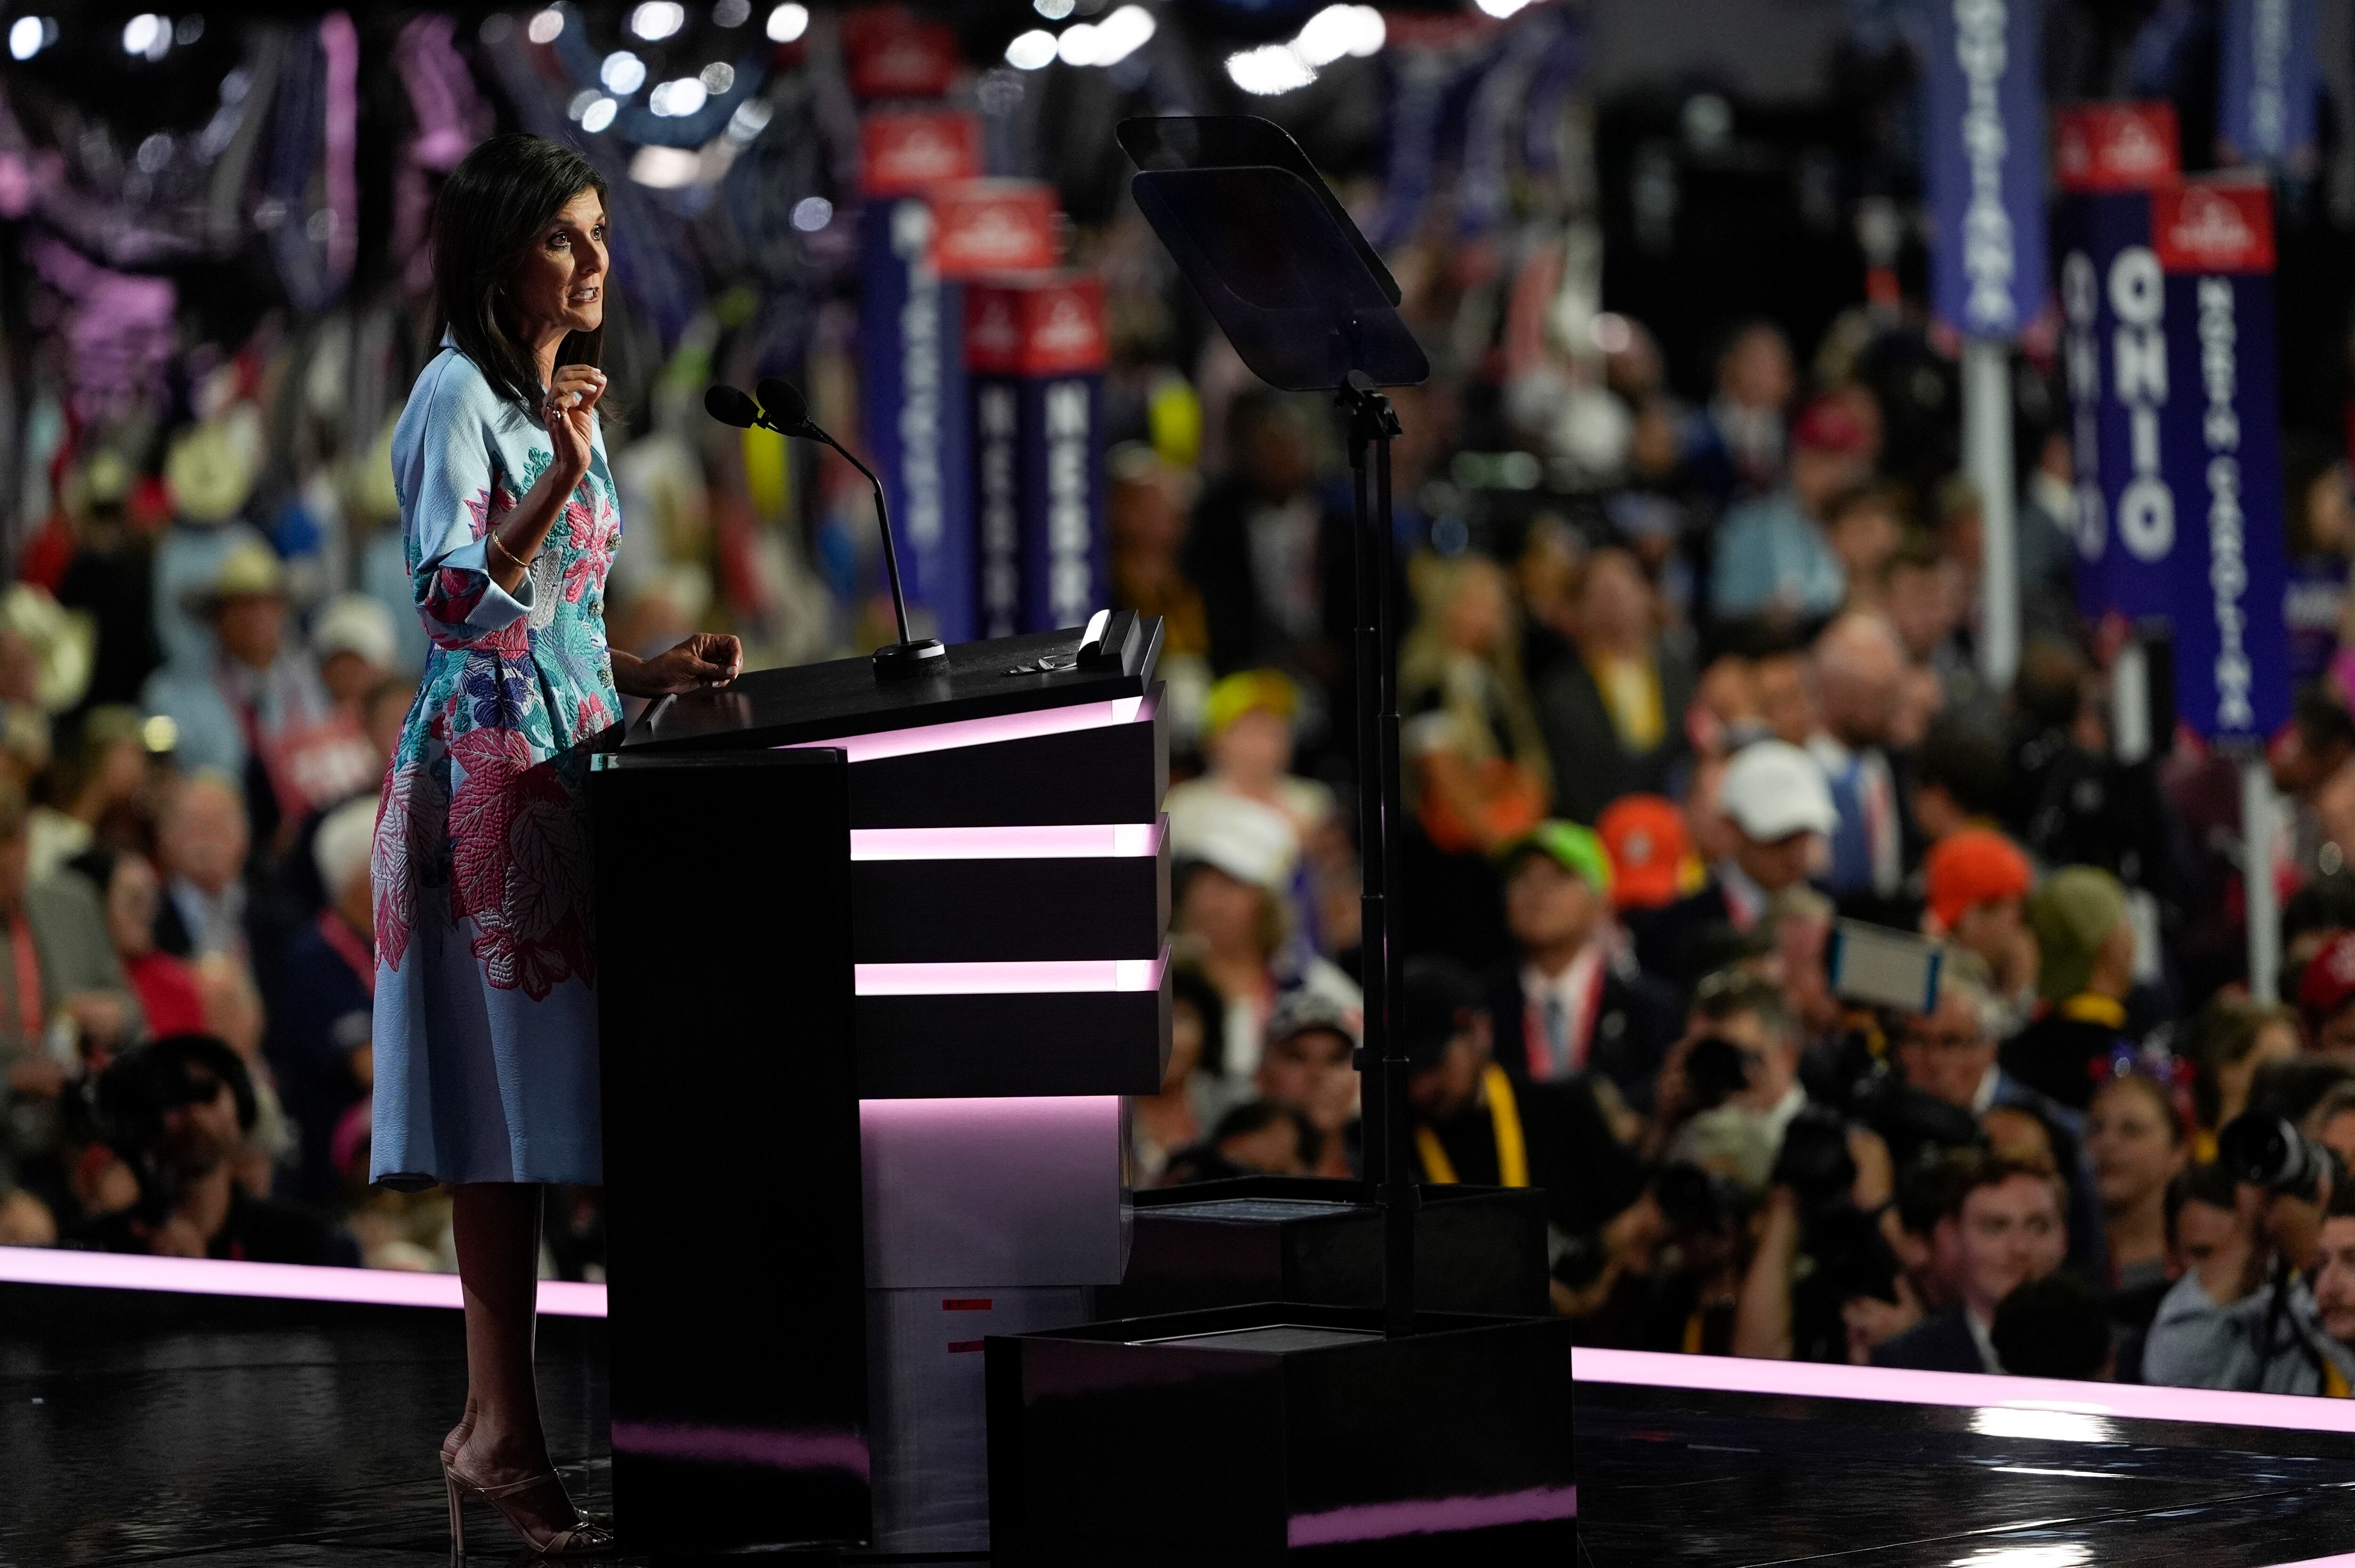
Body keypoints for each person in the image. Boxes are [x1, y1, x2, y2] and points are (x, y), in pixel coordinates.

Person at [372, 132, 744, 1557]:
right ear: (497, 257)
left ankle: (505, 1431)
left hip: (575, 767)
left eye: (598, 233)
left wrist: (653, 671)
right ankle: (501, 1436)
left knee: (545, 1118)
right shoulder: (455, 398)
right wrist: (560, 472)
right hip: (481, 791)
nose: (595, 262)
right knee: (499, 1129)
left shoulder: (545, 395)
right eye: (564, 239)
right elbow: (456, 607)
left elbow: (559, 625)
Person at [75, 1033, 349, 1265]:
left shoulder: (302, 1241)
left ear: (241, 1107)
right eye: (172, 1098)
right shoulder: (97, 1251)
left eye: (207, 1094)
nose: (194, 1114)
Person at [1485, 821, 1677, 1110]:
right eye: (1522, 876)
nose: (1536, 893)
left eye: (1558, 877)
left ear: (1600, 902)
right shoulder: (1482, 1008)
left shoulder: (1651, 1010)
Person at [1636, 739, 1838, 991]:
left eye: (1805, 836)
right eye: (1779, 839)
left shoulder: (1839, 916)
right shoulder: (1676, 928)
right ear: (1732, 828)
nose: (1795, 857)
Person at [2144, 1173, 2355, 1395]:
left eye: (2353, 1262)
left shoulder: (2305, 1311)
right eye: (2319, 1265)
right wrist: (2248, 1234)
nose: (2331, 1287)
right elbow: (2173, 1374)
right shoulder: (2279, 1328)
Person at [1530, 545, 1695, 824]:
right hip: (1598, 831)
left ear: (1647, 595)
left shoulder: (1682, 673)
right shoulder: (1559, 692)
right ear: (1580, 608)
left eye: (1624, 586)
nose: (1615, 600)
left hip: (1675, 826)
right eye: (1602, 592)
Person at [1870, 1149, 2068, 1374]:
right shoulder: (1905, 1362)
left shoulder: (2110, 1352)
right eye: (1996, 1227)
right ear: (1955, 1240)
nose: (2020, 1248)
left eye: (2039, 1226)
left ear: (2065, 1237)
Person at [270, 797, 379, 1202]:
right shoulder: (312, 956)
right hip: (346, 1168)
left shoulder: (397, 945)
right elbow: (369, 1066)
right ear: (359, 878)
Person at [1709, 397, 1871, 622]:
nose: (1828, 473)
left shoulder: (1867, 525)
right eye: (1816, 459)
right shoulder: (1749, 523)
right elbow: (1727, 608)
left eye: (1836, 461)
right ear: (1795, 460)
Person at [2001, 866, 2140, 1111]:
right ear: (2109, 945)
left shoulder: (2017, 1048)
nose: (2133, 936)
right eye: (2122, 923)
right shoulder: (2122, 1053)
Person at [1807, 613, 1911, 902]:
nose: (1894, 710)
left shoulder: (1895, 765)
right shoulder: (1803, 772)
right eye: (1879, 696)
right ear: (1834, 692)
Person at [2085, 1072, 2189, 1308]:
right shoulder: (2060, 1254)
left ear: (2178, 1153)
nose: (2108, 1143)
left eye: (2131, 1130)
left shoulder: (2197, 1260)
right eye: (2096, 1128)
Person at [1922, 829, 2036, 1025]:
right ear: (1971, 916)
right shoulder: (1939, 984)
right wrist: (2018, 991)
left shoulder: (1968, 967)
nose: (2019, 924)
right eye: (2014, 908)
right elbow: (1982, 1034)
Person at [1252, 990, 1358, 1178]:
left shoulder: (1391, 1180)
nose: (1318, 1075)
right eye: (1298, 1058)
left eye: (1336, 1059)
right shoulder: (1222, 1175)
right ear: (1261, 1076)